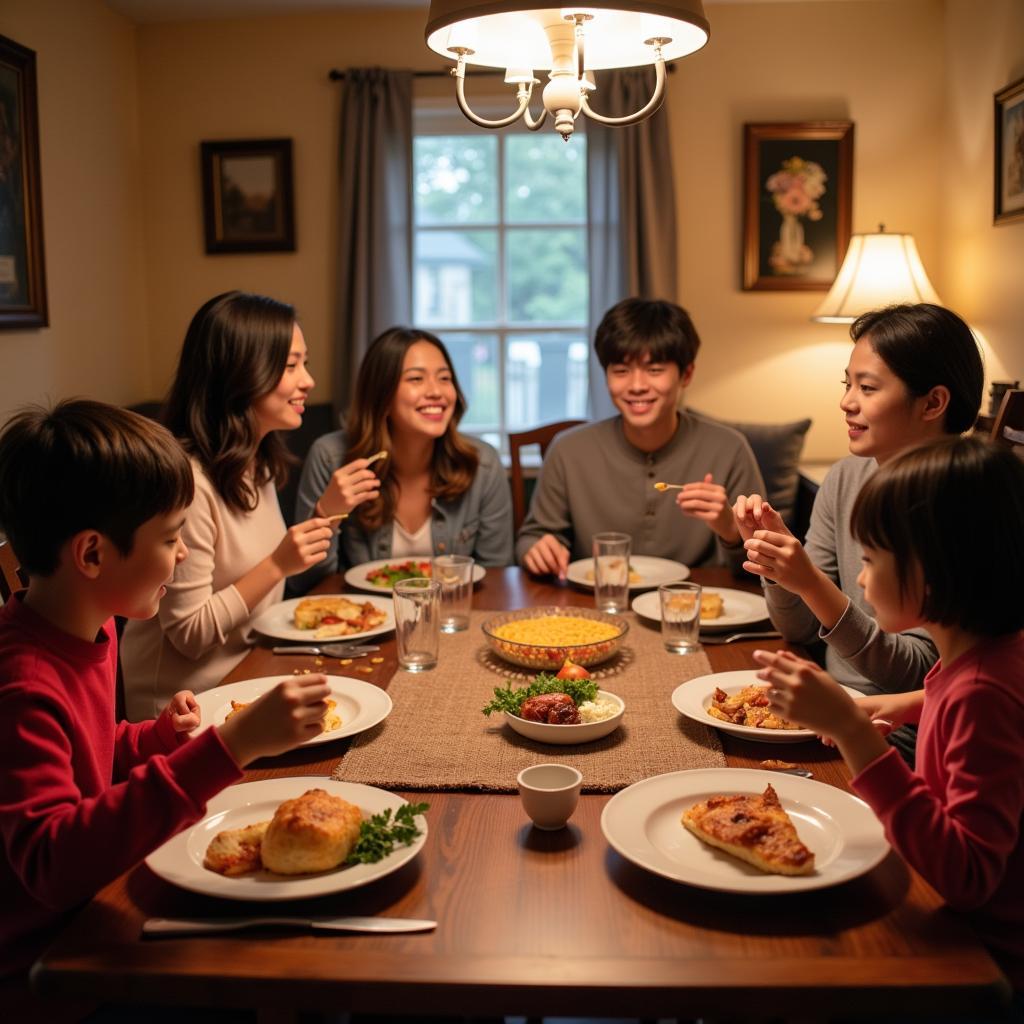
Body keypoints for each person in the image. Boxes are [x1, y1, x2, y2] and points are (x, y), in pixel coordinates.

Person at [0, 399, 332, 983]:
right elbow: (51, 862)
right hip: (53, 964)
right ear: (93, 553)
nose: (182, 555)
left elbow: (89, 753)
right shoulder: (23, 684)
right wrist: (228, 748)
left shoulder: (90, 622)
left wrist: (150, 739)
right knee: (292, 964)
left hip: (102, 907)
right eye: (171, 538)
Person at [753, 436, 1024, 997]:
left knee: (780, 967)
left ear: (931, 573)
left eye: (872, 559)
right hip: (956, 921)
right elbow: (961, 700)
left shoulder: (982, 692)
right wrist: (897, 705)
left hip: (980, 958)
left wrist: (855, 734)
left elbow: (968, 878)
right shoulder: (996, 652)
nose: (859, 577)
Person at [734, 303, 984, 700]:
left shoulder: (964, 502)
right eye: (846, 384)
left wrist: (812, 583)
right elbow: (797, 629)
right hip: (835, 701)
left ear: (933, 403)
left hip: (907, 727)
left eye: (867, 388)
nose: (847, 403)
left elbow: (919, 675)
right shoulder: (848, 477)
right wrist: (775, 565)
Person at [121, 292, 334, 719]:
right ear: (240, 374)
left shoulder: (256, 462)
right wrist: (278, 564)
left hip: (248, 675)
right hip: (182, 712)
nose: (308, 380)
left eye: (303, 363)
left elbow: (262, 589)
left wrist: (326, 514)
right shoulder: (189, 484)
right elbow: (189, 634)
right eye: (291, 365)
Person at [515, 297, 764, 578]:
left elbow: (769, 570)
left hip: (697, 608)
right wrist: (538, 548)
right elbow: (532, 536)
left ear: (687, 374)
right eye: (620, 371)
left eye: (654, 370)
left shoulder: (729, 449)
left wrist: (730, 530)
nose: (636, 386)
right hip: (599, 607)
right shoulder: (568, 450)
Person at [291, 326, 513, 592]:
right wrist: (328, 514)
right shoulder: (330, 458)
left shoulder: (482, 464)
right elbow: (306, 584)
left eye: (444, 378)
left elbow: (495, 579)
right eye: (416, 379)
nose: (436, 392)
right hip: (365, 624)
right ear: (381, 395)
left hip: (455, 622)